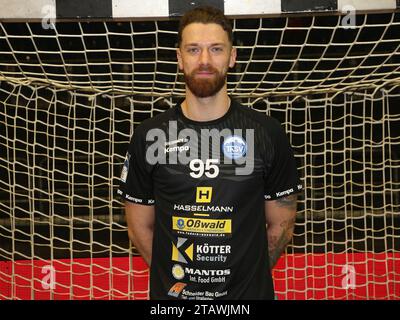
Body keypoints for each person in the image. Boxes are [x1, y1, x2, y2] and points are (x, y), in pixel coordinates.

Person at [117, 6, 303, 300]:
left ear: (232, 58)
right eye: (193, 49)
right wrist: (175, 277)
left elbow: (282, 224)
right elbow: (139, 227)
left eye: (216, 49)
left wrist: (247, 278)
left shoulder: (267, 133)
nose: (204, 60)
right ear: (179, 59)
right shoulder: (150, 135)